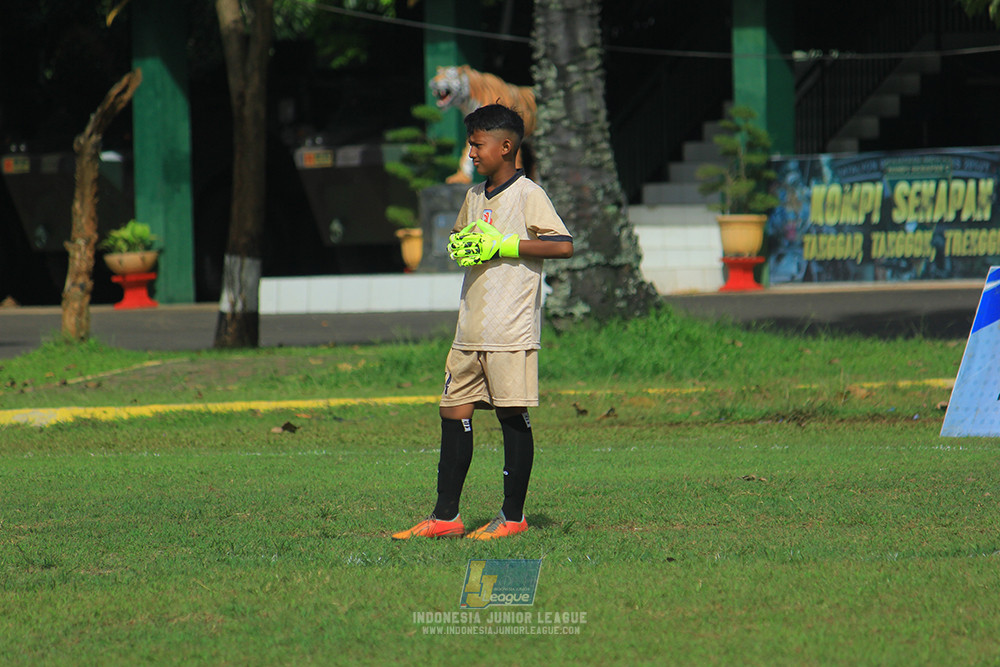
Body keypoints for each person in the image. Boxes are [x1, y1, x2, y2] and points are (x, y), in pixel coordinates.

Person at [392, 104, 573, 541]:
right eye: (470, 143)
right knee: (452, 411)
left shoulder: (529, 193)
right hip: (470, 328)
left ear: (506, 146)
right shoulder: (473, 196)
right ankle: (446, 517)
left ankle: (513, 517)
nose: (470, 152)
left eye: (477, 144)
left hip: (510, 329)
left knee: (512, 414)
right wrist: (464, 245)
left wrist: (507, 245)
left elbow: (563, 245)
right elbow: (461, 238)